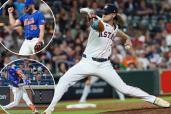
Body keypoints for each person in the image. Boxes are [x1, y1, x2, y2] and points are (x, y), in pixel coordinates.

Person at [44, 4, 170, 114]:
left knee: (124, 89)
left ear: (114, 14)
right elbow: (98, 26)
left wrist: (128, 41)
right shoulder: (98, 20)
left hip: (104, 66)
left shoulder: (115, 28)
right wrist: (88, 12)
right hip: (86, 62)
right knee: (64, 80)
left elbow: (123, 35)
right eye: (103, 12)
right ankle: (49, 109)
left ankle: (154, 99)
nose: (104, 14)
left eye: (107, 13)